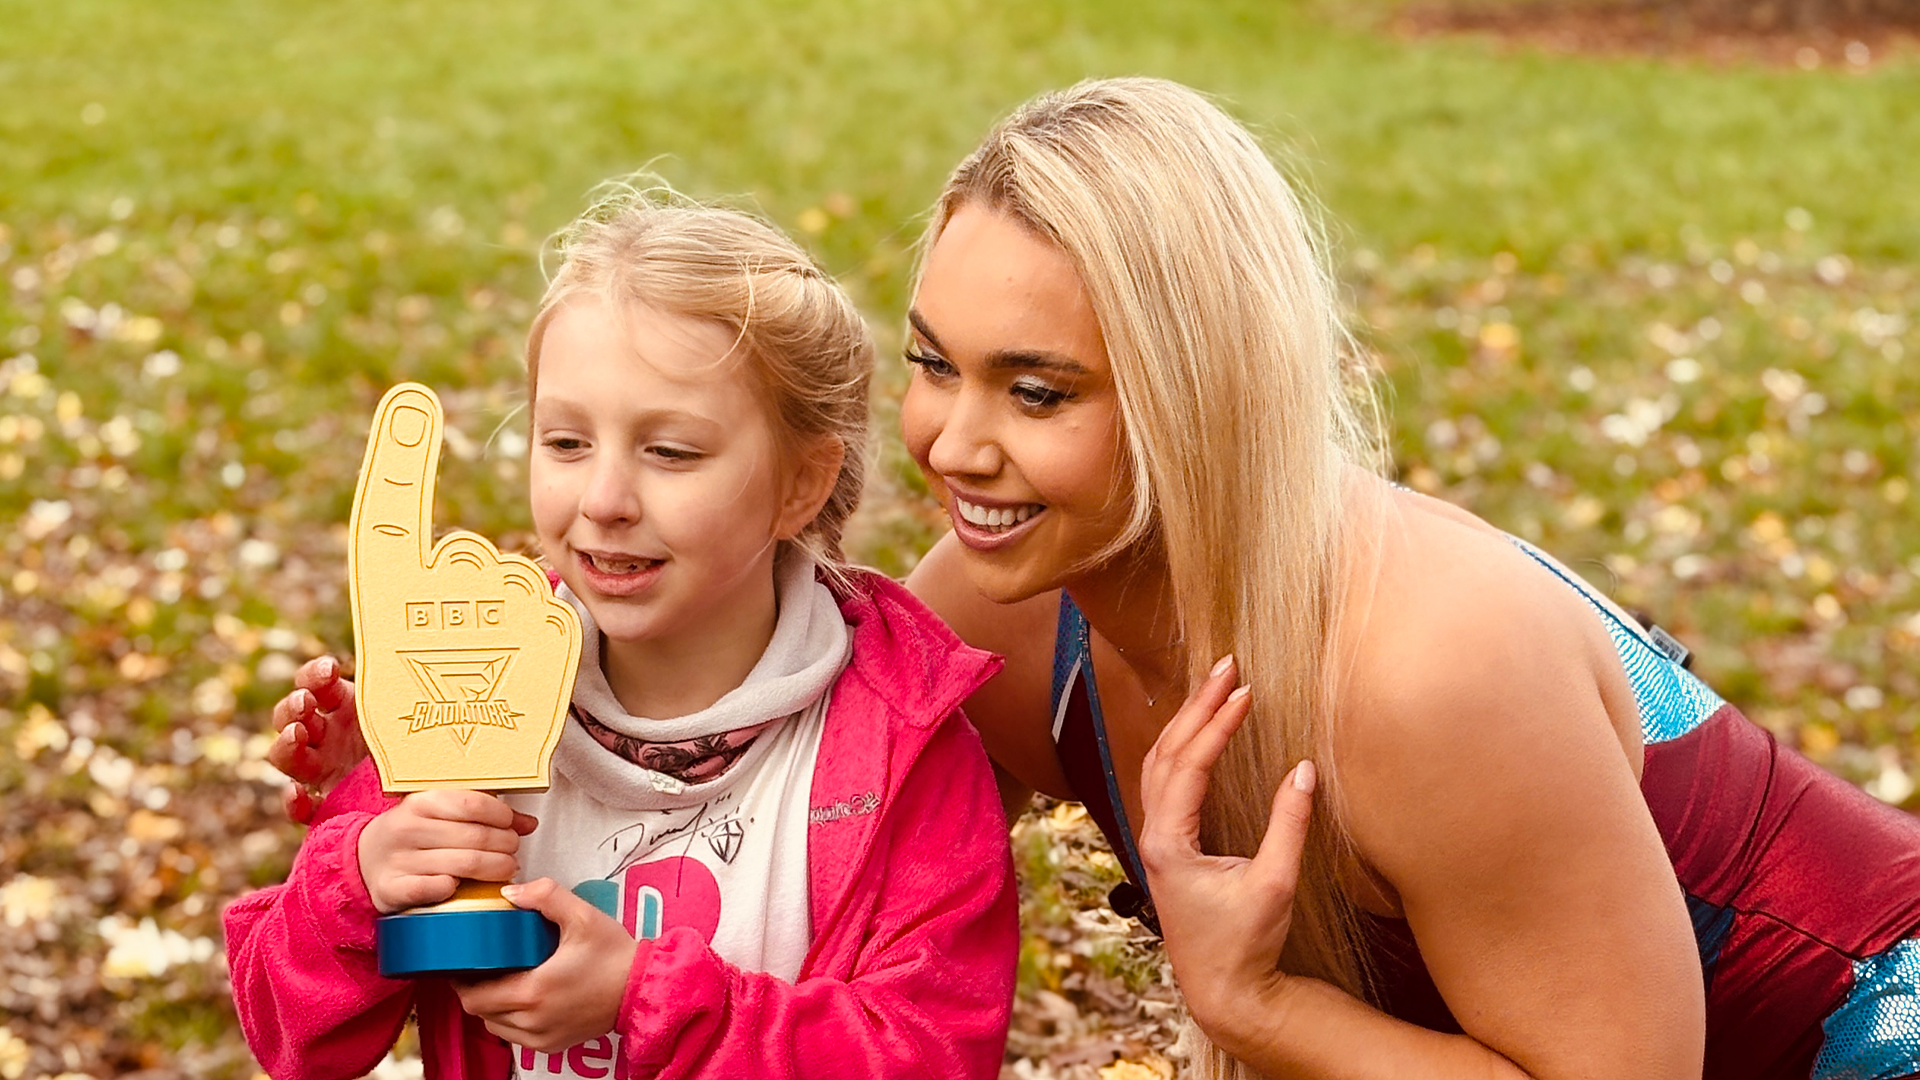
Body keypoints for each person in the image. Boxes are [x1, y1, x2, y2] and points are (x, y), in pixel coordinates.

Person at [269, 81, 1920, 1080]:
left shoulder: (1416, 664)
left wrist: (1249, 998)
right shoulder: (992, 612)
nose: (953, 446)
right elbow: (765, 767)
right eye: (935, 366)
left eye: (1038, 391)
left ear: (1200, 389)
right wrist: (422, 775)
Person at [224, 188, 1018, 1080]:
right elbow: (294, 1039)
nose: (603, 500)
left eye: (670, 452)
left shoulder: (898, 747)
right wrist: (358, 875)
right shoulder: (471, 693)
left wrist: (645, 997)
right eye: (564, 443)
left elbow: (931, 1053)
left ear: (800, 484)